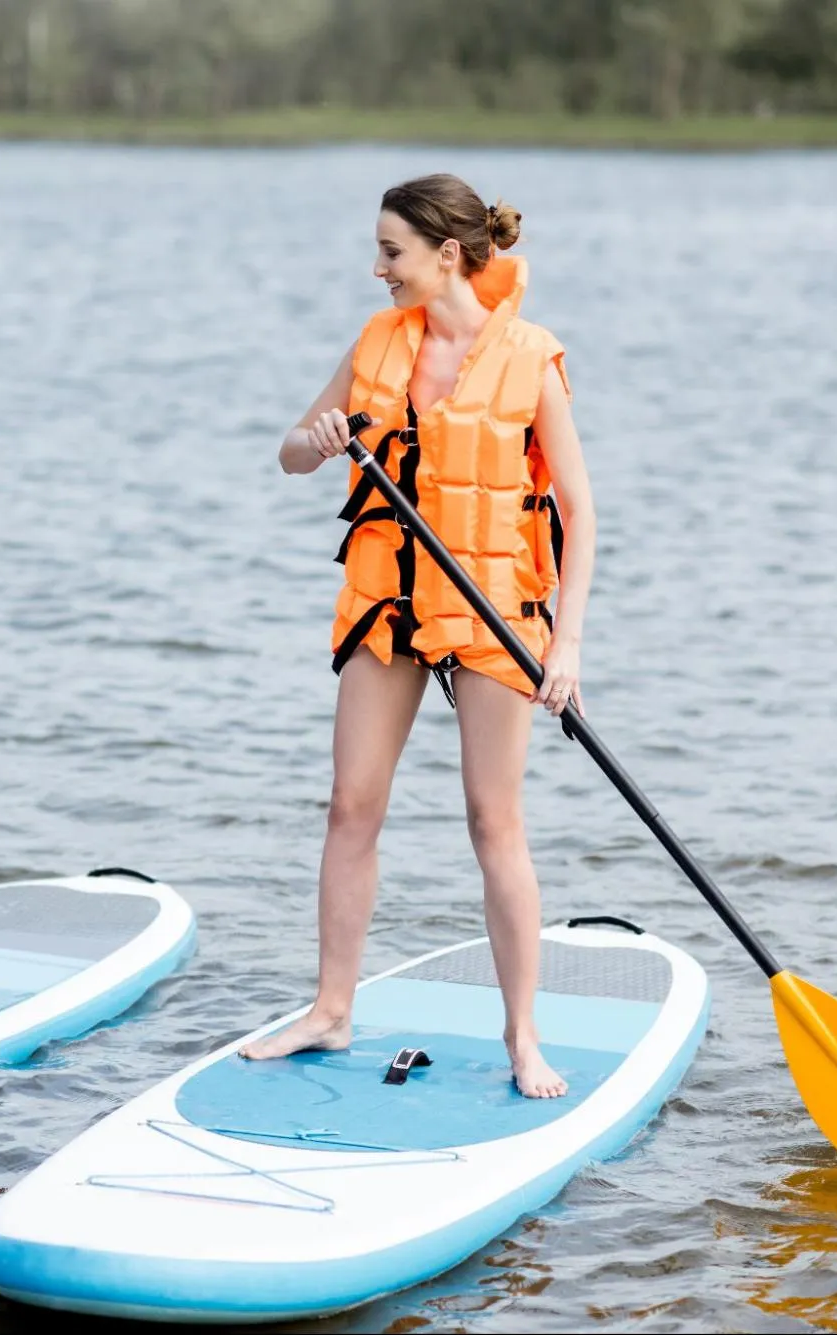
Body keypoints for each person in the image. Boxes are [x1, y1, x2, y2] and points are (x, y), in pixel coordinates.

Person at [240, 174, 595, 1098]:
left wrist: (566, 646)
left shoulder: (531, 356)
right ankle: (329, 1009)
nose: (377, 268)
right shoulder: (376, 343)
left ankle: (522, 1035)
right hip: (390, 602)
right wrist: (314, 441)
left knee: (493, 821)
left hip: (491, 609)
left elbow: (578, 512)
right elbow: (286, 450)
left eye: (391, 252)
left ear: (446, 256)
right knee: (349, 805)